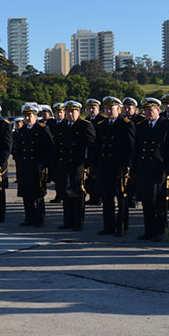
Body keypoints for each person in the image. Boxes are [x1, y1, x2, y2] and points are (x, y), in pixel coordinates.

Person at [131, 98, 169, 242]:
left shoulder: (168, 125)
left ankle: (159, 231)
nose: (147, 113)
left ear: (158, 110)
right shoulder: (141, 126)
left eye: (150, 110)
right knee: (147, 202)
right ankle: (149, 230)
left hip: (159, 171)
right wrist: (134, 169)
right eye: (145, 110)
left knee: (159, 204)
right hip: (144, 169)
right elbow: (137, 149)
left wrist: (168, 170)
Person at [91, 96, 135, 236]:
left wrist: (127, 167)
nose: (109, 111)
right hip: (105, 168)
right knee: (107, 198)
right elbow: (97, 147)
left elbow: (131, 148)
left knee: (122, 199)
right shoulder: (102, 125)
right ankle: (108, 227)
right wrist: (94, 166)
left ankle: (122, 226)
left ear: (119, 109)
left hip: (120, 169)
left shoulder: (126, 124)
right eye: (107, 108)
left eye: (112, 108)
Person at [54, 101, 96, 231]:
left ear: (79, 112)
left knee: (77, 194)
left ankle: (78, 223)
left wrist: (88, 164)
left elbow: (93, 146)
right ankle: (68, 221)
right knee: (66, 193)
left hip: (78, 165)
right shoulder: (62, 126)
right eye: (68, 112)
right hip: (64, 164)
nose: (70, 114)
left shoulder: (85, 126)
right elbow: (57, 146)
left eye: (73, 111)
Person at [12, 102, 54, 228]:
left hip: (37, 167)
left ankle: (39, 219)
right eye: (25, 116)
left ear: (36, 116)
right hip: (25, 167)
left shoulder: (42, 129)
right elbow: (18, 149)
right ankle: (29, 217)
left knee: (38, 195)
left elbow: (49, 148)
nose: (27, 118)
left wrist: (44, 165)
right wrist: (19, 162)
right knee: (26, 194)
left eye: (30, 116)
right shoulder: (22, 130)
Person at [84, 98, 104, 205]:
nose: (91, 110)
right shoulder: (86, 120)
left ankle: (98, 197)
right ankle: (92, 197)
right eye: (89, 108)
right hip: (89, 152)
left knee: (97, 176)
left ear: (98, 109)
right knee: (90, 177)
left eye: (93, 108)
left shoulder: (102, 120)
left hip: (99, 152)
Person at [49, 102, 67, 203]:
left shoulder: (66, 123)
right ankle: (58, 195)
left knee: (64, 178)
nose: (58, 114)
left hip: (63, 155)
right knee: (56, 177)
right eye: (56, 112)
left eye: (60, 112)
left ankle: (63, 195)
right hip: (54, 155)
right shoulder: (51, 123)